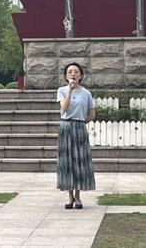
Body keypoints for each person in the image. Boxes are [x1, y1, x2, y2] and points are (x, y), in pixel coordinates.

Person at [56, 62, 96, 209]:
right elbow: (64, 108)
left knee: (80, 161)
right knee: (67, 161)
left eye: (76, 72)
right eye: (70, 72)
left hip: (79, 127)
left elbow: (92, 114)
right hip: (66, 127)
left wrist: (81, 122)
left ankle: (78, 196)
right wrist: (70, 91)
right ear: (66, 76)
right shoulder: (61, 91)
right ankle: (70, 196)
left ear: (81, 76)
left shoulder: (86, 93)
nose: (73, 74)